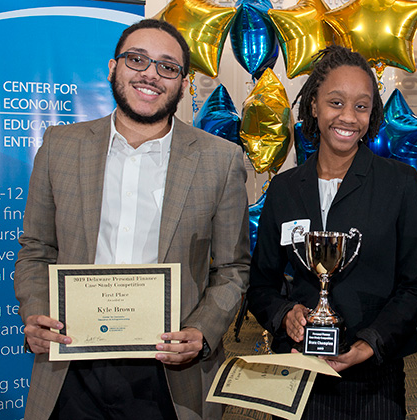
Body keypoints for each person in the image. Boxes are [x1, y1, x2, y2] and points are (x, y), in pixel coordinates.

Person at [14, 19, 250, 420]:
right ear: (112, 67)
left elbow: (233, 268)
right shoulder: (59, 146)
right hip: (72, 365)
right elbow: (36, 250)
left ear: (182, 81)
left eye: (167, 66)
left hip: (170, 373)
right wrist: (35, 311)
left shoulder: (220, 160)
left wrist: (203, 332)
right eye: (137, 60)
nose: (150, 75)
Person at [246, 45, 417, 420]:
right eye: (335, 102)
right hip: (297, 371)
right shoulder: (284, 189)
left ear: (372, 114)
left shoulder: (398, 183)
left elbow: (415, 287)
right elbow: (260, 286)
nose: (348, 117)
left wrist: (368, 344)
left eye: (361, 106)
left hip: (373, 380)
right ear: (313, 106)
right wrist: (285, 314)